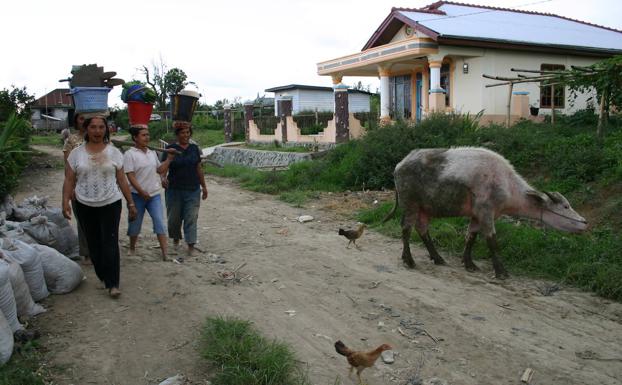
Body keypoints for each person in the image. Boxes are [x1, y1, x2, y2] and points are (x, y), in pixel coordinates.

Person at [62, 116, 137, 298]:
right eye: (93, 127)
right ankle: (103, 275)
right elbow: (69, 179)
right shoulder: (76, 154)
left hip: (110, 203)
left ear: (107, 129)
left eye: (101, 127)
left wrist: (131, 202)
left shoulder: (114, 153)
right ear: (86, 130)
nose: (97, 131)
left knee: (110, 242)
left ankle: (113, 283)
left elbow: (122, 180)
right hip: (84, 204)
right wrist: (65, 201)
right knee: (94, 244)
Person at [123, 125, 176, 260]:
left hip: (154, 195)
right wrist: (141, 191)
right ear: (135, 138)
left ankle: (164, 253)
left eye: (148, 135)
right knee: (135, 223)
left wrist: (169, 159)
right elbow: (130, 176)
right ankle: (132, 247)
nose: (147, 137)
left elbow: (159, 170)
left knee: (159, 222)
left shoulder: (152, 153)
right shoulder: (130, 154)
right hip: (136, 195)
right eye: (143, 135)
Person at [161, 121, 208, 261]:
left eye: (188, 132)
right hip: (174, 189)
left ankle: (191, 246)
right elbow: (163, 168)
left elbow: (198, 168)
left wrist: (204, 187)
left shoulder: (194, 149)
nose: (186, 135)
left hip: (193, 189)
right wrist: (163, 178)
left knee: (191, 217)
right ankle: (175, 238)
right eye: (183, 133)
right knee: (174, 219)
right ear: (177, 134)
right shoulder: (170, 149)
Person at [62, 113, 90, 263]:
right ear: (76, 121)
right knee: (83, 220)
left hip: (95, 185)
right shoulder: (71, 140)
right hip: (78, 186)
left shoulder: (97, 139)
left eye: (86, 118)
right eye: (81, 118)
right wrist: (70, 188)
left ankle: (99, 250)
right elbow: (67, 167)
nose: (84, 121)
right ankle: (86, 253)